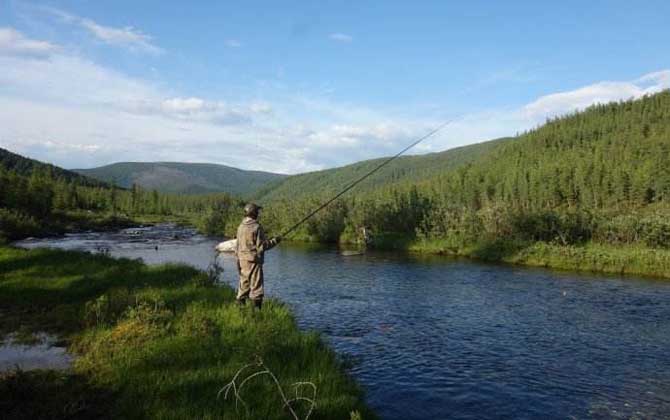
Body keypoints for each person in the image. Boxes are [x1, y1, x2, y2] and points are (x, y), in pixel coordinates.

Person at [235, 203, 281, 310]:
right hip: (253, 261)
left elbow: (237, 246)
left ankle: (239, 311)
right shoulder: (256, 227)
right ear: (253, 213)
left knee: (243, 287)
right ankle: (257, 314)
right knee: (256, 288)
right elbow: (261, 247)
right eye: (257, 212)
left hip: (242, 260)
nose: (258, 214)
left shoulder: (240, 227)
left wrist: (238, 260)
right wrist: (275, 241)